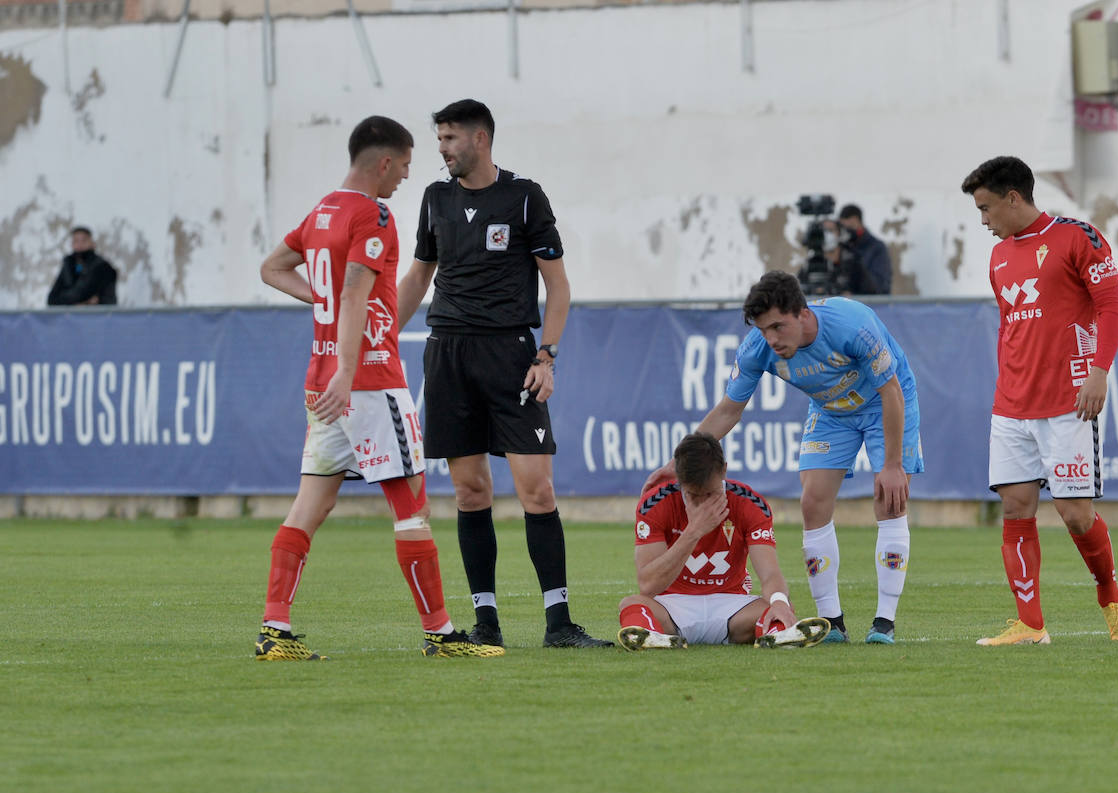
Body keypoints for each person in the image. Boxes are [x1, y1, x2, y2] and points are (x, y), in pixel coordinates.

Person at [254, 115, 502, 661]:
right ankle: (440, 634)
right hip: (365, 382)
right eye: (407, 164)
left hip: (322, 383)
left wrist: (325, 331)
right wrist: (347, 369)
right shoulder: (373, 215)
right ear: (384, 162)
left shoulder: (323, 211)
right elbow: (351, 296)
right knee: (411, 509)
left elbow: (273, 268)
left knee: (307, 508)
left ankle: (274, 631)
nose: (409, 176)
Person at [397, 99, 611, 649]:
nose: (441, 148)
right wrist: (378, 337)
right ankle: (486, 623)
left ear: (480, 139)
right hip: (447, 355)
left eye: (449, 138)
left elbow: (558, 287)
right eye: (439, 139)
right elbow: (419, 277)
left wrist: (547, 356)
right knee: (470, 492)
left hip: (512, 355)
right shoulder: (434, 199)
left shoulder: (523, 197)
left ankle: (559, 624)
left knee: (536, 490)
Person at [646, 271, 923, 645]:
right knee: (812, 501)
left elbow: (891, 392)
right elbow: (729, 410)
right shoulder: (757, 349)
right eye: (764, 330)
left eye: (778, 326)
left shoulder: (852, 325)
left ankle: (884, 623)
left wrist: (891, 466)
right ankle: (832, 623)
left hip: (884, 403)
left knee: (889, 500)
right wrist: (678, 461)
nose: (772, 339)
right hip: (830, 412)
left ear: (803, 313)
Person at [960, 155, 1118, 645]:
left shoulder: (1079, 237)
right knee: (1016, 508)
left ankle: (1111, 598)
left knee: (1074, 513)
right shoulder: (997, 258)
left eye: (986, 208)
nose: (983, 221)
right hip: (1011, 404)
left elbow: (1111, 306)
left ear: (1013, 197)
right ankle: (1030, 624)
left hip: (1069, 401)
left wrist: (1098, 372)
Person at [618, 432, 831, 650]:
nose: (703, 504)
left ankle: (781, 635)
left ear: (724, 471)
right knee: (632, 604)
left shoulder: (750, 503)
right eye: (693, 495)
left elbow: (770, 574)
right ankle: (653, 639)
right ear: (679, 481)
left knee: (777, 606)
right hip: (671, 606)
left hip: (731, 607)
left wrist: (779, 601)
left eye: (710, 493)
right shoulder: (655, 504)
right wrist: (693, 532)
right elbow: (648, 584)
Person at [47, 227, 117, 306]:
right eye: (76, 241)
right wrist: (85, 302)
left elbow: (82, 293)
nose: (79, 244)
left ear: (92, 243)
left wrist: (66, 300)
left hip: (98, 316)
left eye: (83, 240)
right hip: (71, 317)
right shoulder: (69, 265)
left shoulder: (102, 267)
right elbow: (52, 299)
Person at [837, 204, 891, 295]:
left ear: (855, 220)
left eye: (846, 228)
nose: (844, 232)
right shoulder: (842, 248)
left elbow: (881, 285)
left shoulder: (876, 247)